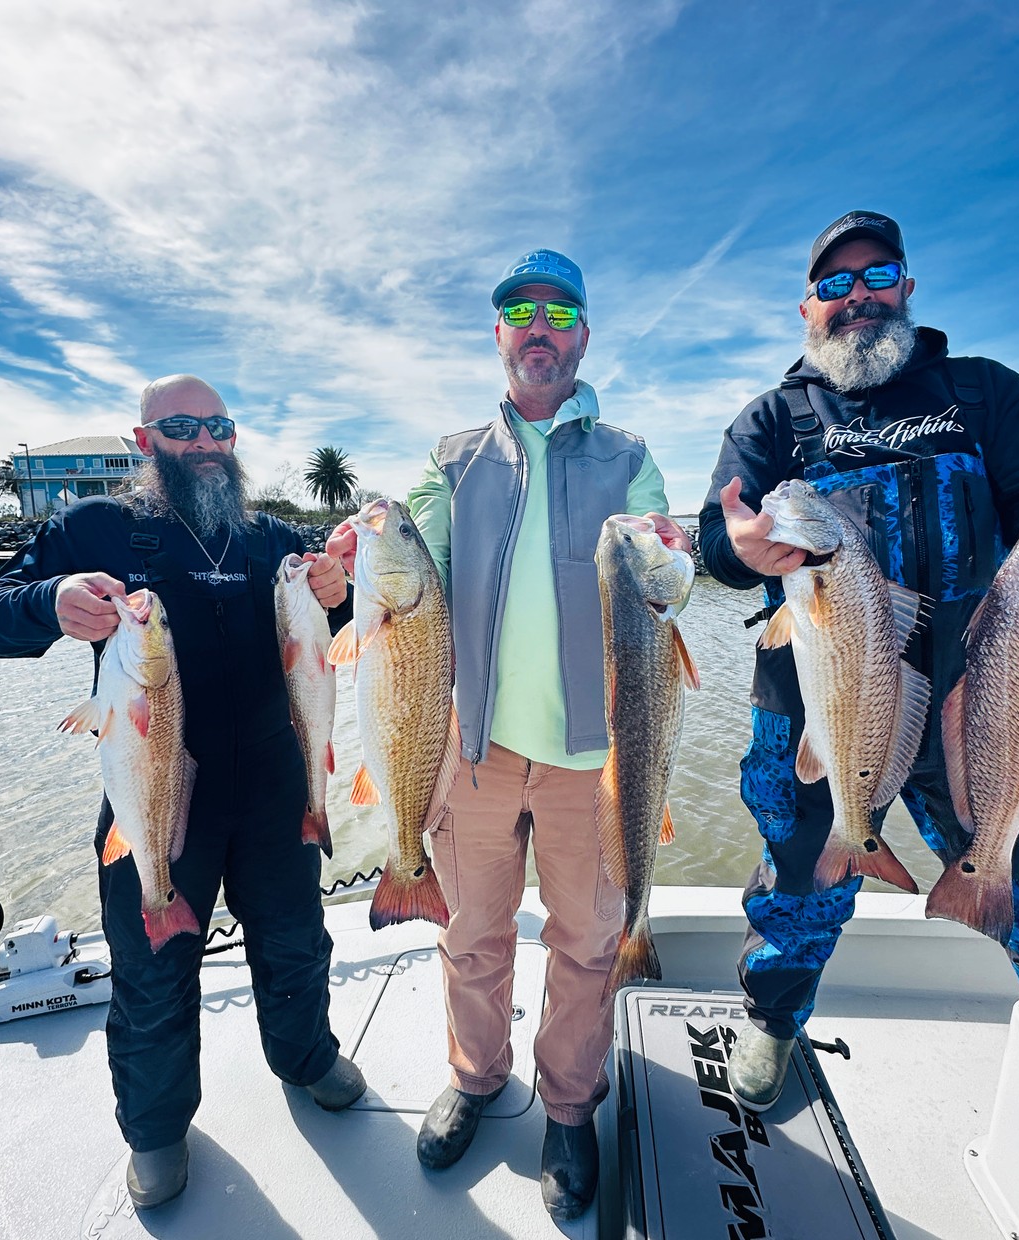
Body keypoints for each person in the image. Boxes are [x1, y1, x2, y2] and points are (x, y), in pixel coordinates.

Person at [699, 211, 1019, 1166]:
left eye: (879, 274)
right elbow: (719, 542)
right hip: (811, 699)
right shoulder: (772, 421)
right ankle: (776, 1017)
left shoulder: (987, 394)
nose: (858, 295)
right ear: (808, 306)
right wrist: (737, 548)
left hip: (991, 693)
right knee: (796, 874)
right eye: (836, 283)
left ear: (908, 288)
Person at [328, 248, 689, 1221]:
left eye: (558, 310)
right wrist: (346, 565)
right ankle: (476, 1076)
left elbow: (664, 575)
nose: (538, 325)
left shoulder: (629, 456)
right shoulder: (450, 460)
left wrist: (677, 549)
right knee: (470, 934)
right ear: (497, 335)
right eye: (518, 310)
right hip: (474, 756)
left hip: (595, 763)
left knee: (585, 943)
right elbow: (408, 574)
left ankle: (569, 1109)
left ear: (583, 333)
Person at [0, 375, 367, 1208]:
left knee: (295, 941)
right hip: (154, 789)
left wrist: (341, 586)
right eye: (183, 426)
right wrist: (49, 601)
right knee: (151, 972)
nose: (208, 441)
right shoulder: (95, 529)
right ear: (145, 442)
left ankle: (306, 1057)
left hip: (274, 786)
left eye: (220, 424)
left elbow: (342, 603)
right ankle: (155, 1128)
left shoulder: (267, 537)